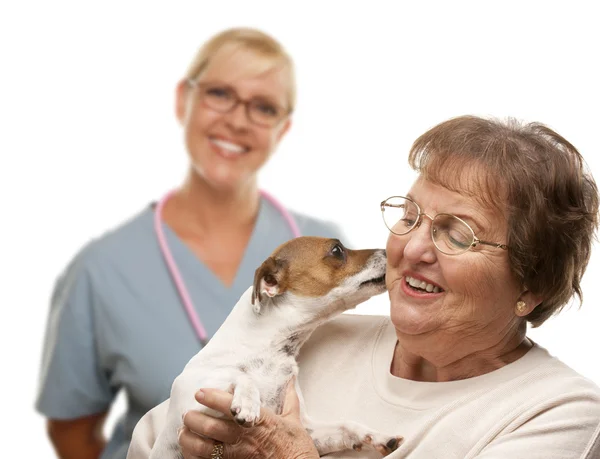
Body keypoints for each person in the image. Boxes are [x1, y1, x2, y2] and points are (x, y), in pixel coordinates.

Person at [128, 115, 600, 459]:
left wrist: (289, 456)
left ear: (531, 286)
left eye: (457, 233)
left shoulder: (559, 413)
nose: (412, 247)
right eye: (409, 216)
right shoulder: (315, 335)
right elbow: (154, 439)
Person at [35, 27, 345, 459]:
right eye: (220, 93)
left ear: (283, 127)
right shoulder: (101, 269)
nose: (238, 120)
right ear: (184, 100)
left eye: (263, 107)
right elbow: (72, 431)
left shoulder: (326, 254)